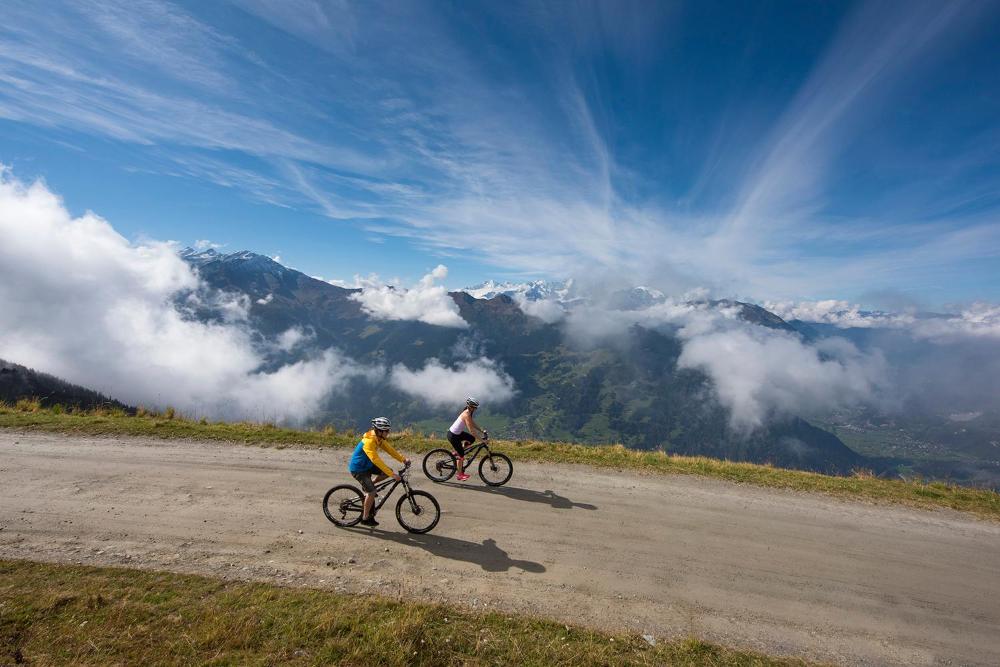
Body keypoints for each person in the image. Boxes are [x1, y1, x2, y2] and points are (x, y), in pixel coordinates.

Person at [349, 417, 410, 526]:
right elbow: (375, 460)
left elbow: (390, 450)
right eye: (387, 431)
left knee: (387, 472)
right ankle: (365, 518)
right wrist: (393, 475)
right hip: (359, 469)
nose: (388, 432)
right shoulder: (369, 441)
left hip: (367, 466)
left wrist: (403, 459)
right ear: (380, 431)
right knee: (372, 492)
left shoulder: (378, 438)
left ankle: (369, 486)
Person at [448, 397, 488, 481]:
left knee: (471, 439)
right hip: (453, 436)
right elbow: (471, 430)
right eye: (474, 407)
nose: (475, 409)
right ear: (469, 406)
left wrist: (481, 430)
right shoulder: (466, 414)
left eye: (476, 407)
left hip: (457, 434)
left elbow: (472, 423)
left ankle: (457, 452)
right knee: (461, 456)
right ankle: (459, 475)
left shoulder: (468, 412)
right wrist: (482, 440)